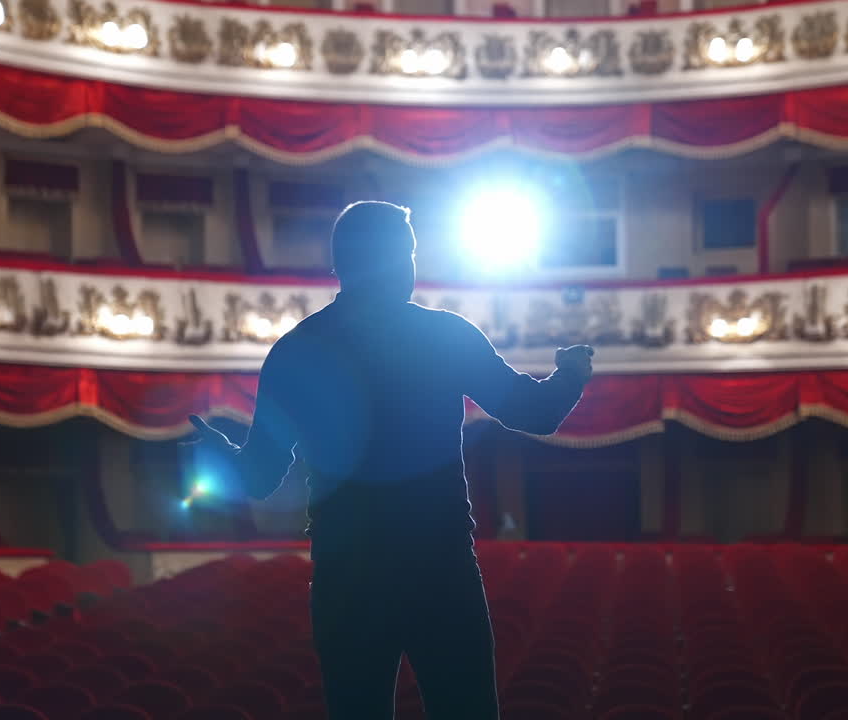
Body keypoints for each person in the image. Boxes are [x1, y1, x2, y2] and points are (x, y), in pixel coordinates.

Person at [187, 201, 594, 720]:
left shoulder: (294, 350)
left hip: (347, 574)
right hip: (439, 566)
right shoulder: (443, 334)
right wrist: (572, 373)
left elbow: (260, 478)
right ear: (400, 260)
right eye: (411, 253)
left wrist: (219, 455)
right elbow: (533, 414)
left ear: (341, 265)